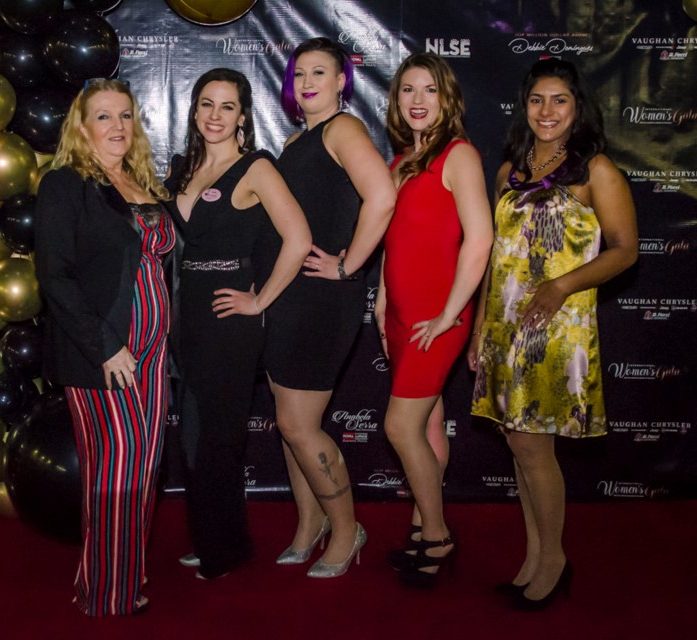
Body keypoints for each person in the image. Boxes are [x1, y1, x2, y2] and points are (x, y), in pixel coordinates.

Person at [469, 58, 638, 610]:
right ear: (525, 107)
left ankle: (554, 560)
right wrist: (478, 333)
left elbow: (625, 250)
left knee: (534, 448)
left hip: (555, 327)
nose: (547, 111)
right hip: (504, 324)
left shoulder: (597, 171)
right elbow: (496, 259)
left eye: (559, 100)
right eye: (537, 100)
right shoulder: (508, 171)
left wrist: (562, 286)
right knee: (520, 445)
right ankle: (536, 555)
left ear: (577, 107)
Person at [34, 78, 175, 616]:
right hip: (105, 352)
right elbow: (55, 276)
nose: (117, 127)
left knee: (143, 468)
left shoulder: (139, 179)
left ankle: (125, 571)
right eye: (104, 117)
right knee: (116, 472)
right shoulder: (65, 184)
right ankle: (105, 594)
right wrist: (105, 345)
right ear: (81, 126)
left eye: (125, 116)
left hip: (154, 351)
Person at [164, 68, 311, 580]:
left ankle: (221, 551)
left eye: (227, 106)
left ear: (243, 115)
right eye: (207, 104)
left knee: (219, 439)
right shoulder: (182, 169)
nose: (215, 115)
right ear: (194, 110)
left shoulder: (256, 168)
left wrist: (260, 301)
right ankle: (215, 535)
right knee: (193, 437)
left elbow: (298, 238)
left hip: (230, 318)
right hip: (185, 318)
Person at [266, 37, 396, 578]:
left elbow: (383, 196)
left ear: (343, 81)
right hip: (290, 293)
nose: (308, 82)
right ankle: (309, 523)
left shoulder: (342, 129)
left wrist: (349, 265)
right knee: (290, 420)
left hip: (324, 296)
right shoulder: (299, 138)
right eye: (300, 74)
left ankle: (347, 529)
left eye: (320, 73)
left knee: (299, 425)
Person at [375, 53, 493, 588]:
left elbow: (480, 238)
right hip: (401, 316)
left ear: (447, 99)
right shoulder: (400, 161)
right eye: (407, 91)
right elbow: (392, 242)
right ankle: (423, 527)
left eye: (429, 90)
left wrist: (449, 314)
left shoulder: (459, 154)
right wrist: (380, 300)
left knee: (399, 426)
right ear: (396, 99)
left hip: (439, 318)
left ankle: (439, 534)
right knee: (425, 425)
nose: (417, 101)